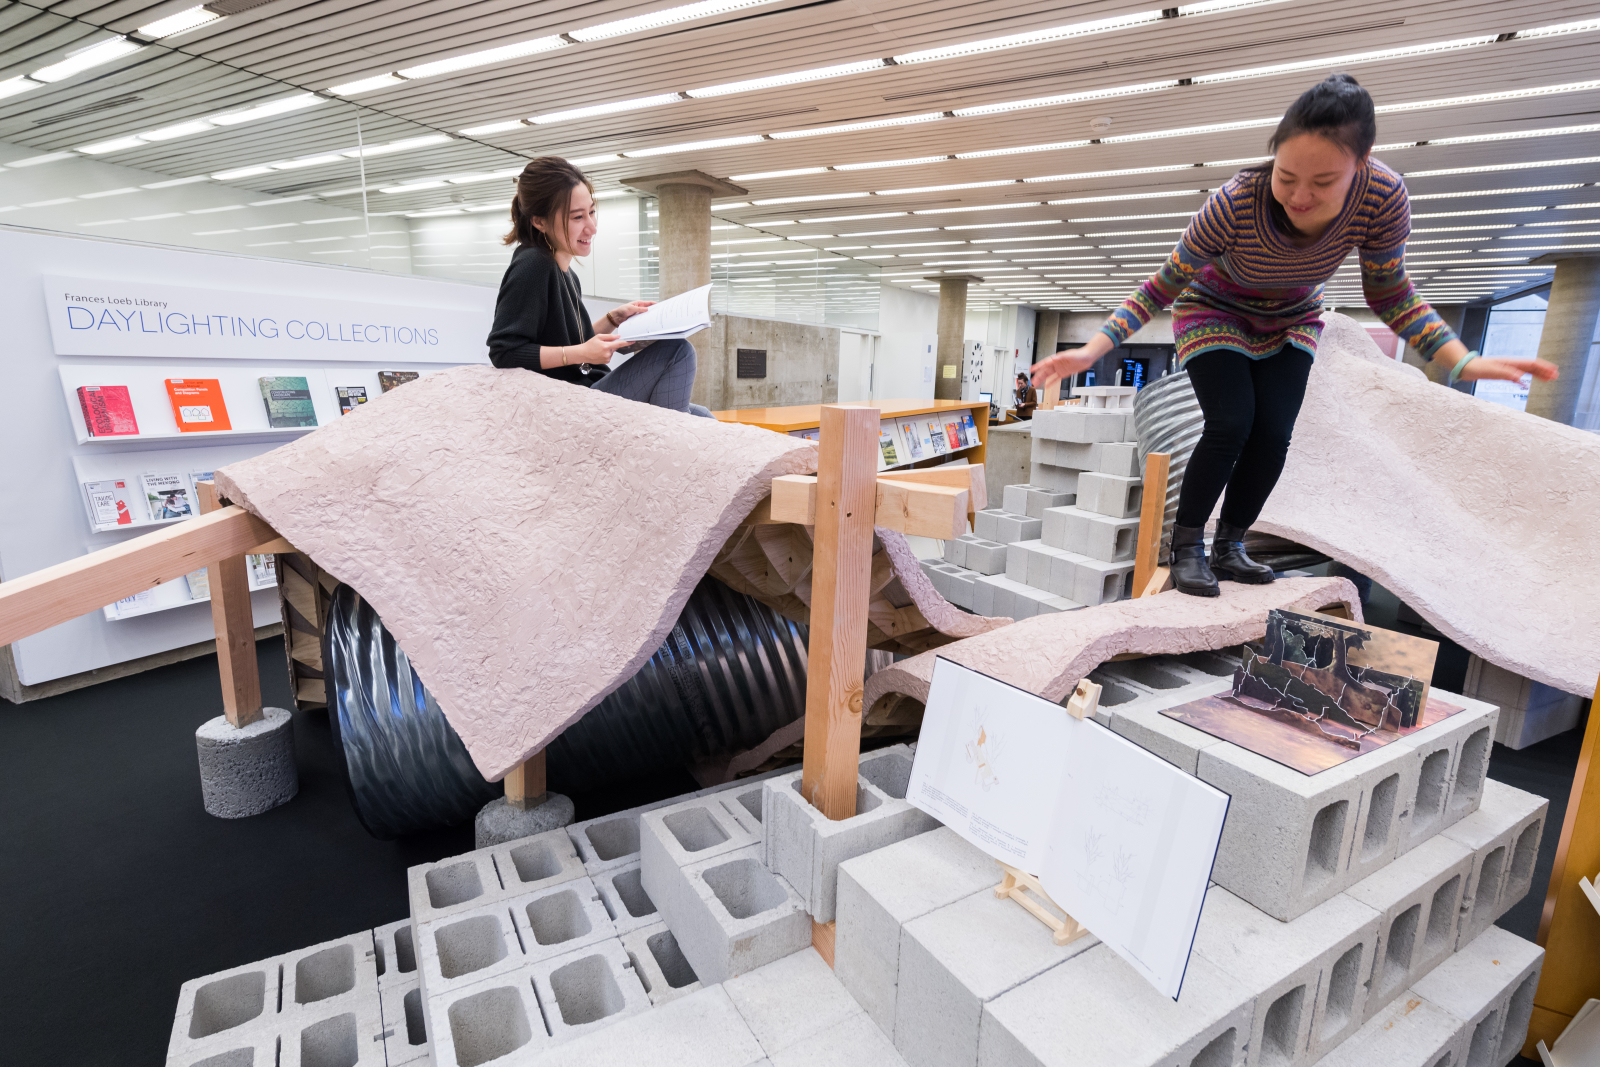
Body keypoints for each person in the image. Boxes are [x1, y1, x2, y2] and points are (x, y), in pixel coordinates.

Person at [1031, 73, 1557, 598]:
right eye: (1286, 177)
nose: (1300, 196)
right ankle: (1187, 546)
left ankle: (1231, 546)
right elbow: (1162, 285)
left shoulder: (1382, 198)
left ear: (1363, 160)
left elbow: (1391, 294)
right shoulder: (1234, 202)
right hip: (1215, 310)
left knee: (1273, 433)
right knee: (1231, 421)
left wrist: (1461, 361)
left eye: (1323, 182)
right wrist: (1093, 349)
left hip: (1294, 318)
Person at [487, 156, 712, 416]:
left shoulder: (566, 273)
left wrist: (612, 319)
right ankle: (665, 450)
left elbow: (568, 340)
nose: (592, 227)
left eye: (592, 212)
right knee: (677, 351)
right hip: (572, 404)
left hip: (589, 389)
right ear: (539, 221)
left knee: (702, 416)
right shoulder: (533, 265)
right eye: (577, 217)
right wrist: (582, 352)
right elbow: (504, 352)